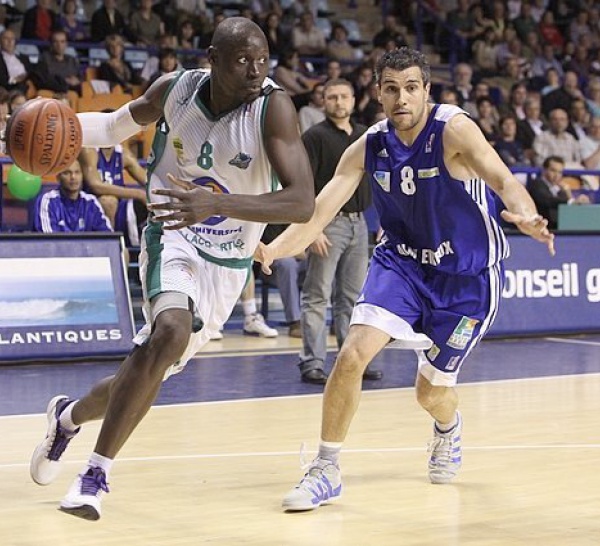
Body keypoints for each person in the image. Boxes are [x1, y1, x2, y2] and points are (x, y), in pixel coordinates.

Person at [29, 17, 314, 521]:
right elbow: (113, 127)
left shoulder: (275, 109)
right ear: (213, 59)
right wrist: (30, 134)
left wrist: (216, 205)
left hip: (227, 260)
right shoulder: (175, 89)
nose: (255, 70)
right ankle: (94, 477)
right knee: (169, 331)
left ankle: (67, 419)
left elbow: (301, 201)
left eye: (263, 60)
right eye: (243, 60)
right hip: (173, 234)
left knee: (145, 370)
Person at [253, 47, 554, 511]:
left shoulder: (453, 129)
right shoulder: (368, 146)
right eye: (391, 89)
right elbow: (320, 212)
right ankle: (327, 467)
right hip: (402, 266)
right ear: (377, 93)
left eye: (411, 88)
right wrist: (274, 249)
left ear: (427, 91)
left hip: (465, 280)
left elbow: (503, 179)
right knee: (352, 353)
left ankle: (448, 428)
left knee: (430, 392)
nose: (401, 99)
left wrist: (529, 215)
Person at [298, 78, 381, 385]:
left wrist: (385, 219)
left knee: (354, 297)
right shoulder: (314, 137)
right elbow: (303, 185)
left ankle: (353, 359)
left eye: (343, 96)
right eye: (331, 97)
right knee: (317, 294)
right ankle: (313, 361)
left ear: (353, 98)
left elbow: (379, 179)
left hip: (360, 223)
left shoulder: (365, 136)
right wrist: (311, 229)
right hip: (327, 223)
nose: (338, 102)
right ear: (323, 101)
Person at [79, 134, 148, 247]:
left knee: (156, 199)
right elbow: (95, 185)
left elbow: (148, 182)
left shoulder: (123, 153)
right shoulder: (89, 150)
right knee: (108, 201)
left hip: (119, 209)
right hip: (89, 207)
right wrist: (138, 193)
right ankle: (109, 245)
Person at [32, 160, 112, 233]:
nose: (73, 177)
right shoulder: (48, 201)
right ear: (58, 177)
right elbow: (49, 241)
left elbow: (107, 236)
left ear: (82, 175)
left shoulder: (91, 202)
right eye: (67, 173)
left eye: (77, 172)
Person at [527, 155, 590, 229]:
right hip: (540, 227)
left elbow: (569, 210)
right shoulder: (537, 184)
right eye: (553, 170)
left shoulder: (561, 189)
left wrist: (568, 193)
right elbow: (548, 200)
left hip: (559, 228)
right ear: (544, 170)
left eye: (559, 172)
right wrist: (571, 201)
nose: (556, 175)